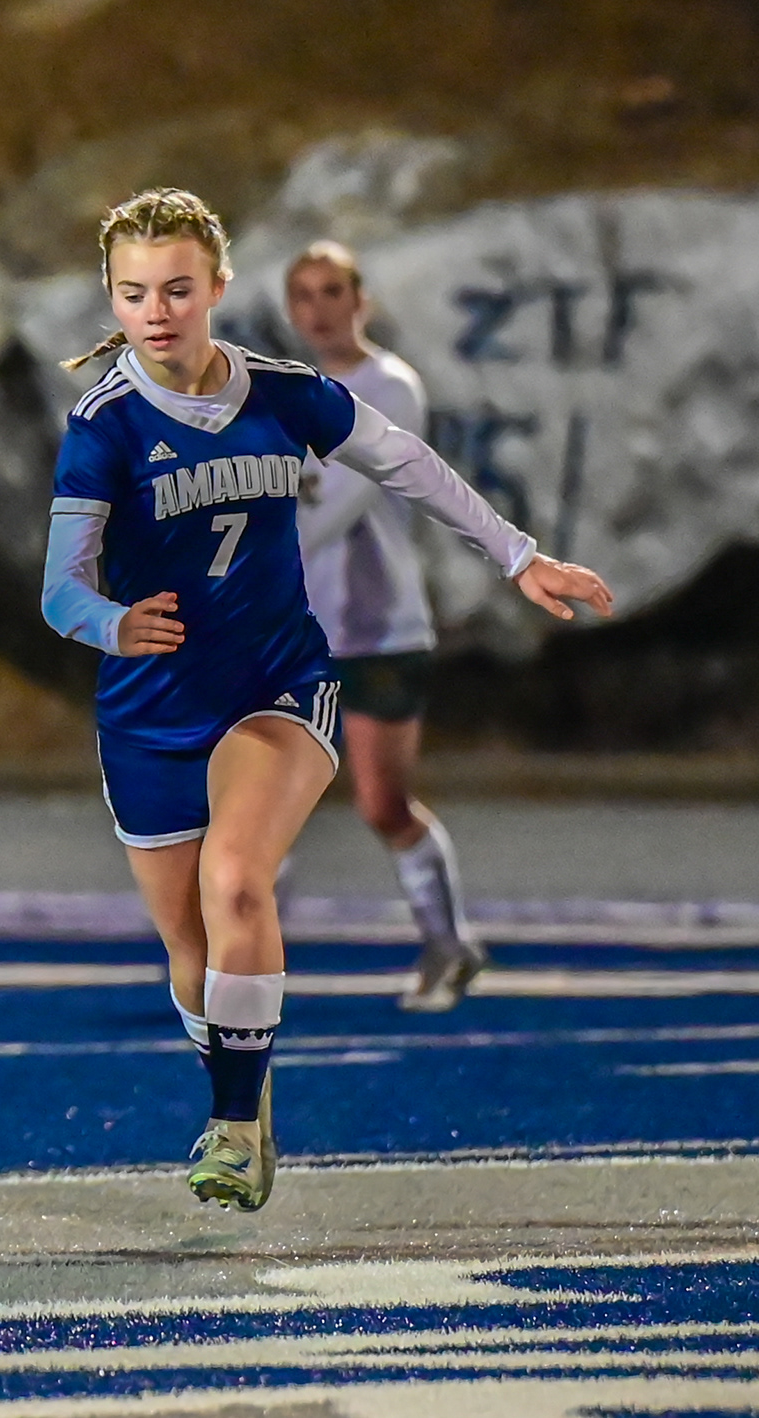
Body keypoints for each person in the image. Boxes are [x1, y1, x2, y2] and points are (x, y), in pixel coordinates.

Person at [40, 189, 611, 1213]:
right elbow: (59, 588)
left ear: (217, 288)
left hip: (277, 680)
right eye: (134, 294)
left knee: (240, 879)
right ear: (112, 302)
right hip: (151, 704)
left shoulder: (287, 393)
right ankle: (246, 1096)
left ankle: (227, 1123)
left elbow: (409, 465)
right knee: (190, 953)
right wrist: (112, 623)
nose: (158, 310)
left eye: (178, 288)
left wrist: (520, 555)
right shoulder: (104, 426)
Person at [285, 241, 479, 1012]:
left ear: (359, 301)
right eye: (305, 295)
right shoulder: (283, 393)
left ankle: (448, 941)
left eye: (333, 291)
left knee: (382, 804)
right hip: (298, 631)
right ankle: (242, 963)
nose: (320, 308)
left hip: (377, 625)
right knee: (263, 797)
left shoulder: (392, 389)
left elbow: (336, 504)